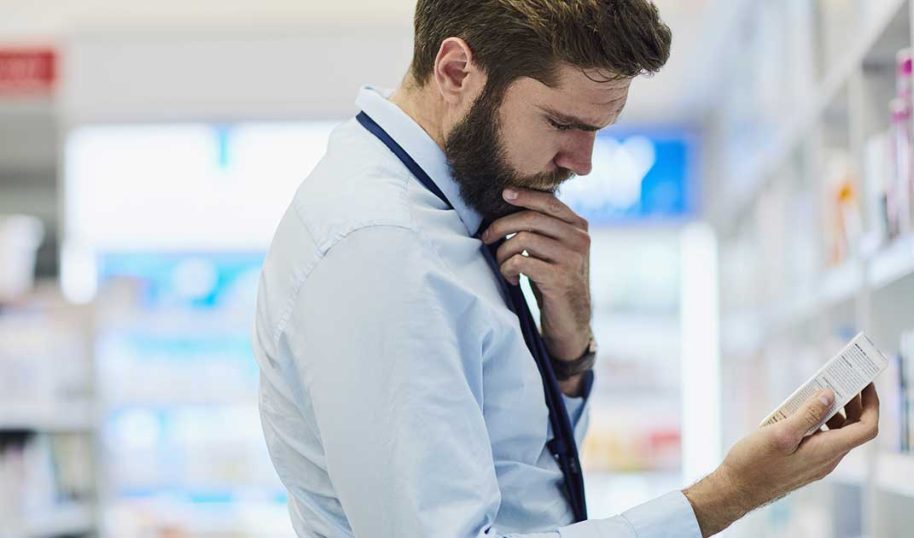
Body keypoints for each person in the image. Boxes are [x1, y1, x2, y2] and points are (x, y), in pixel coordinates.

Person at [251, 1, 881, 536]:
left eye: (598, 130)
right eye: (562, 123)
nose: (582, 163)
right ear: (455, 70)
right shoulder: (380, 248)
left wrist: (568, 344)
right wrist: (728, 494)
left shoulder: (449, 211)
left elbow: (517, 465)